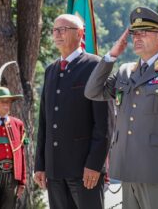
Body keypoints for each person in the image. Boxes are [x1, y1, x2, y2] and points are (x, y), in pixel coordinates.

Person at [84, 6, 158, 209]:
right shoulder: (126, 71)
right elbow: (92, 91)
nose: (137, 37)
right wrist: (111, 56)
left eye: (144, 33)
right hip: (128, 168)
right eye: (135, 33)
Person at [34, 14, 110, 209]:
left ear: (80, 34)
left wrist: (95, 164)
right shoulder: (51, 70)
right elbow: (44, 122)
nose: (57, 34)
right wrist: (40, 165)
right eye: (55, 30)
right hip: (55, 170)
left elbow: (104, 125)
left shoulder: (95, 66)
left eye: (63, 29)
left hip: (84, 170)